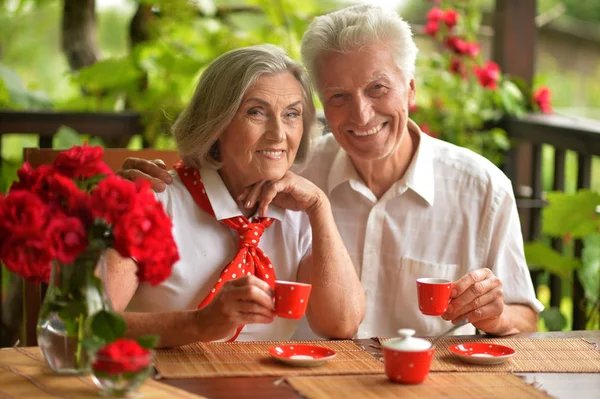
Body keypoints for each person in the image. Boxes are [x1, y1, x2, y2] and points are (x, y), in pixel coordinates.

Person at [118, 5, 543, 339]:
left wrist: (496, 314)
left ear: (411, 87)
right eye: (338, 96)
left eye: (378, 88)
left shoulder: (481, 186)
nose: (361, 113)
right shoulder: (289, 168)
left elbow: (526, 317)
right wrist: (122, 189)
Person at [106, 44, 365, 348]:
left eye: (291, 114)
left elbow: (342, 324)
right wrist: (198, 323)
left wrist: (320, 208)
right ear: (216, 123)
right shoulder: (154, 201)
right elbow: (83, 323)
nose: (278, 134)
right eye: (256, 112)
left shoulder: (299, 212)